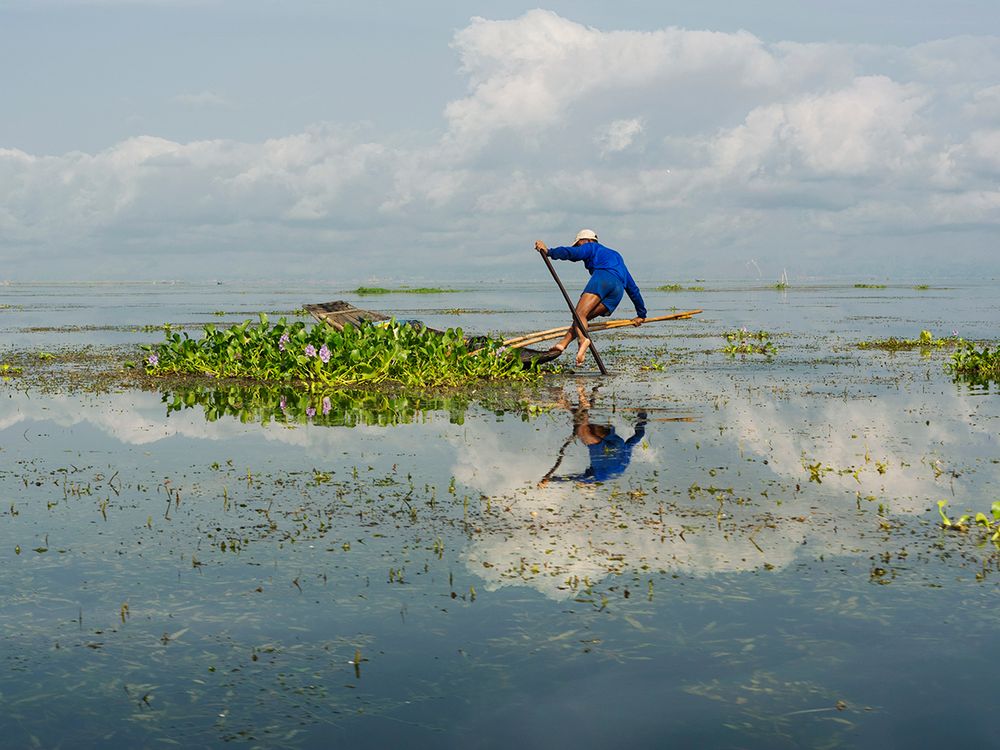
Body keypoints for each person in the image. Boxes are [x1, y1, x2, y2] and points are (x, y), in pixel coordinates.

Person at [534, 229, 647, 365]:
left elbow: (572, 253)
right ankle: (562, 344)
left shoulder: (591, 247)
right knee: (582, 318)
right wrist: (641, 314)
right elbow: (632, 288)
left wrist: (549, 252)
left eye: (578, 244)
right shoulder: (616, 256)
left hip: (603, 279)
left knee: (578, 313)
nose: (578, 247)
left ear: (587, 240)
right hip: (617, 291)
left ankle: (583, 340)